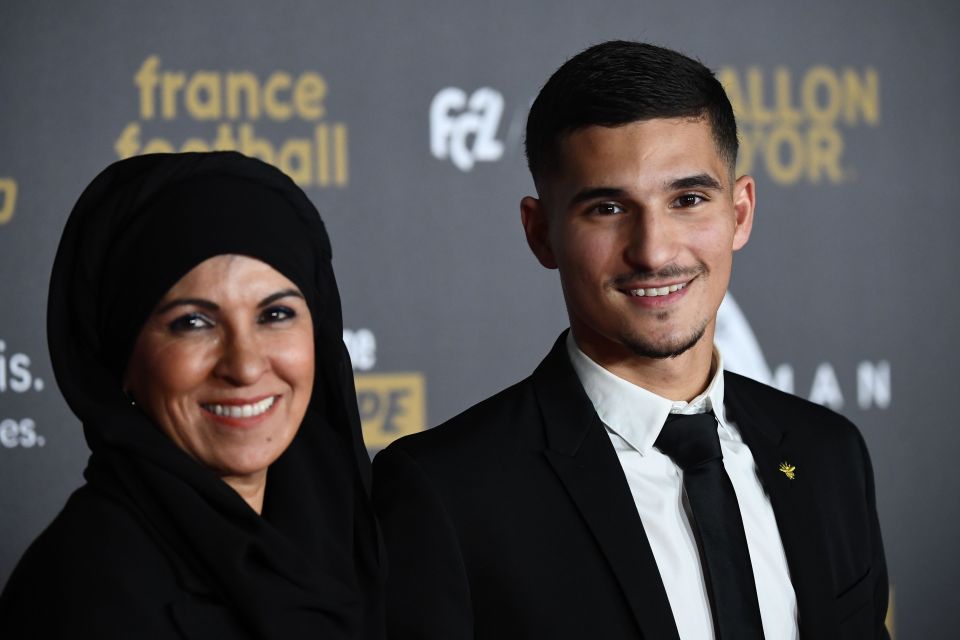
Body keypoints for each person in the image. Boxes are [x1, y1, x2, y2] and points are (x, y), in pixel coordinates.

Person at [372, 41, 888, 639]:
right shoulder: (446, 491)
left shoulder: (829, 454)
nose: (654, 251)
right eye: (609, 208)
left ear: (740, 213)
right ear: (541, 234)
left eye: (688, 200)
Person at [0, 152, 384, 639]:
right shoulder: (86, 595)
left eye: (276, 315)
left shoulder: (341, 541)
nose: (244, 366)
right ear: (122, 361)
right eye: (193, 323)